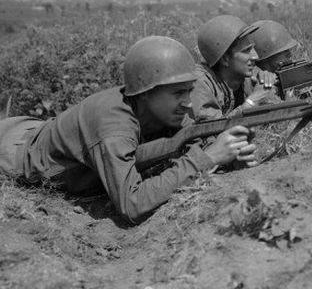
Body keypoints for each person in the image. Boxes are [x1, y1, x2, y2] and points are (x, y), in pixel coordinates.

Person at [0, 36, 256, 223]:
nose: (188, 102)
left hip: (35, 129)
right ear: (145, 94)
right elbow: (131, 205)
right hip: (11, 149)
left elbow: (190, 146)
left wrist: (231, 153)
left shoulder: (168, 109)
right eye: (178, 93)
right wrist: (208, 157)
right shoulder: (112, 126)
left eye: (189, 91)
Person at [190, 15, 278, 122]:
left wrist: (268, 86)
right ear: (225, 60)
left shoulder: (245, 76)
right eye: (246, 50)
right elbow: (210, 129)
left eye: (253, 48)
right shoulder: (200, 83)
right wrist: (253, 100)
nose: (255, 56)